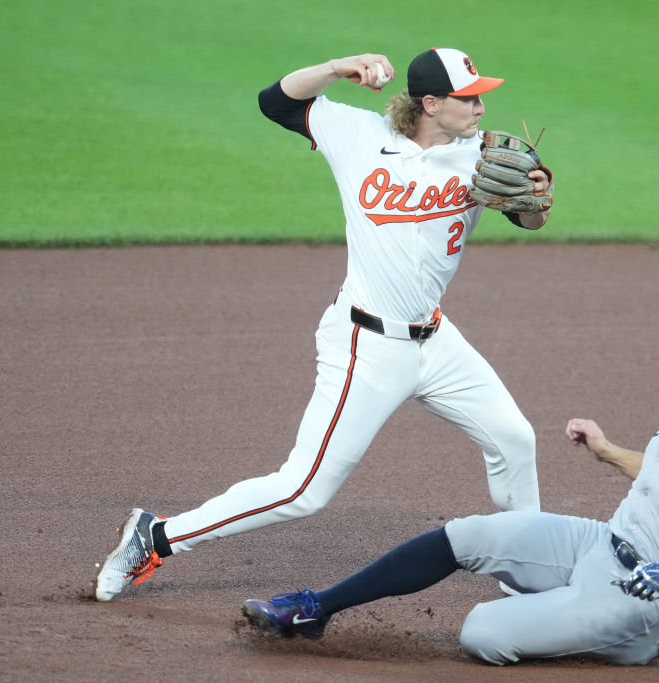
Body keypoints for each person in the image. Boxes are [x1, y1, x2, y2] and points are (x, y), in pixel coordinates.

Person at [94, 48, 554, 601]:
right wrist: (338, 68)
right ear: (431, 103)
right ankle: (157, 537)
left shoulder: (482, 154)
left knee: (514, 438)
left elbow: (529, 219)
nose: (481, 107)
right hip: (366, 344)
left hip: (437, 341)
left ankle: (530, 581)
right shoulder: (357, 134)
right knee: (302, 491)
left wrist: (537, 199)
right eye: (469, 96)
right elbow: (276, 102)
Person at [240, 306, 659, 666]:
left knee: (481, 631)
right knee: (466, 536)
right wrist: (610, 453)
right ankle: (317, 608)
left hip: (641, 590)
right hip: (599, 542)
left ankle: (628, 640)